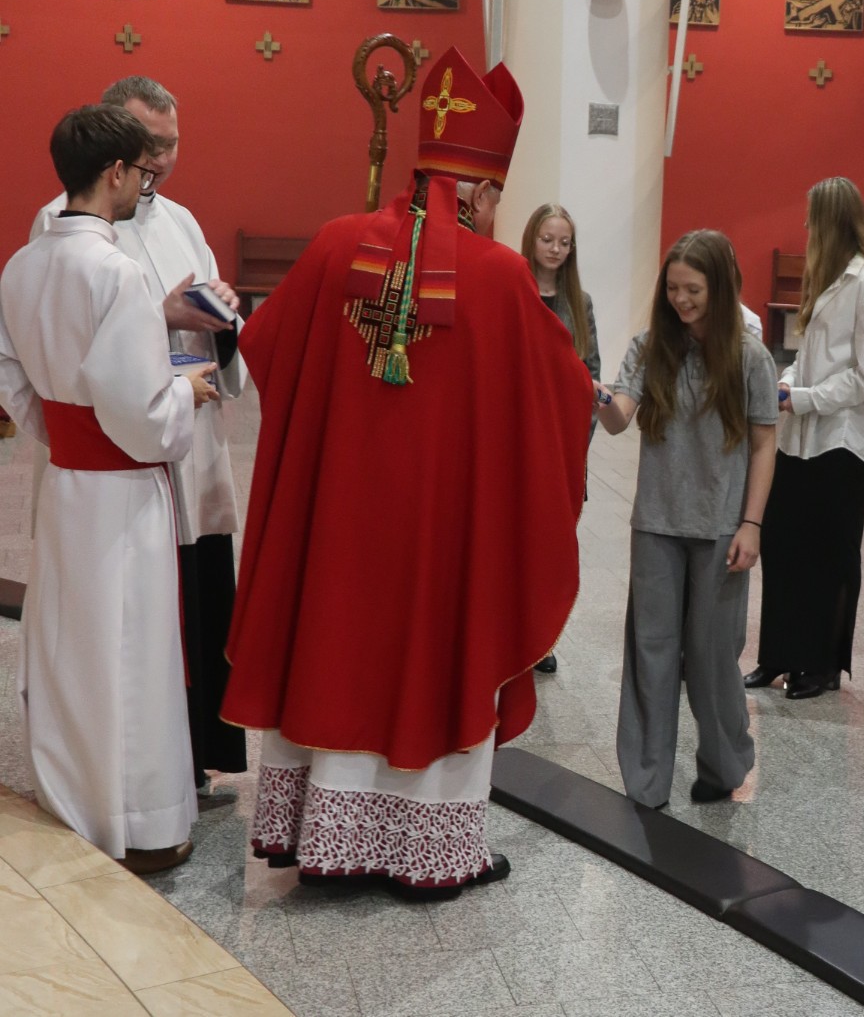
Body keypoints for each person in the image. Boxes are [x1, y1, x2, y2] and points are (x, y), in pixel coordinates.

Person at [220, 48, 592, 898]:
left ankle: (325, 843)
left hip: (338, 524)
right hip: (441, 529)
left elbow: (265, 350)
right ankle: (420, 853)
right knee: (439, 652)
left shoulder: (334, 244)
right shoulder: (500, 276)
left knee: (334, 643)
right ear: (482, 191)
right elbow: (563, 394)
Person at [0, 104, 218, 873]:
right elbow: (140, 410)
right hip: (123, 492)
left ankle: (72, 797)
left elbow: (13, 379)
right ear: (115, 172)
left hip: (67, 484)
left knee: (73, 644)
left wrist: (65, 433)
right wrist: (185, 395)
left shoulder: (22, 264)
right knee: (132, 649)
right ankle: (139, 821)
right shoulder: (116, 270)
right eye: (140, 174)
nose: (144, 187)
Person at [31, 76, 247, 802]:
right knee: (140, 622)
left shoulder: (181, 220)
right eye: (147, 144)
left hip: (190, 439)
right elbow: (69, 345)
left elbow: (208, 315)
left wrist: (221, 317)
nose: (159, 159)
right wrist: (162, 318)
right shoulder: (60, 227)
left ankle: (199, 756)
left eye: (171, 143)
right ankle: (149, 773)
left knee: (197, 597)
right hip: (122, 451)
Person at [597, 230, 777, 806]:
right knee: (650, 652)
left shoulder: (750, 355)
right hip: (657, 521)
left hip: (722, 527)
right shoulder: (650, 347)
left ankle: (724, 765)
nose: (681, 299)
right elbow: (619, 419)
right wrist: (594, 393)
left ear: (719, 288)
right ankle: (647, 780)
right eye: (673, 288)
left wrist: (751, 524)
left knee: (712, 658)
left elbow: (764, 444)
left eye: (693, 289)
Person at [743, 177, 864, 700]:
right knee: (783, 542)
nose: (807, 227)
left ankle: (822, 664)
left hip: (841, 440)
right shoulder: (825, 278)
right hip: (800, 436)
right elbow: (807, 356)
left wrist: (805, 397)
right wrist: (787, 383)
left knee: (829, 554)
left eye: (814, 219)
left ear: (835, 222)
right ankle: (778, 654)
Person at [521, 202, 600, 674]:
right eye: (547, 239)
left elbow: (591, 376)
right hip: (519, 441)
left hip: (563, 445)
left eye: (564, 242)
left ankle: (542, 640)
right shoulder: (513, 290)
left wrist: (576, 445)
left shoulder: (579, 302)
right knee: (514, 541)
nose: (554, 249)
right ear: (532, 239)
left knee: (552, 546)